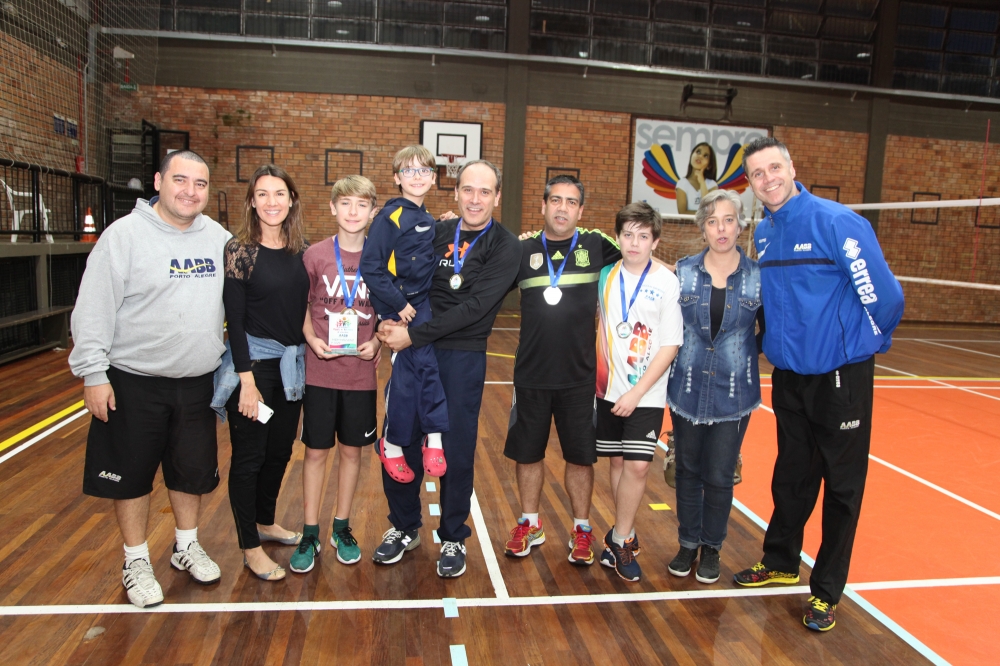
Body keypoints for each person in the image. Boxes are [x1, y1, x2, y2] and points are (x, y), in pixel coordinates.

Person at [733, 137, 904, 632]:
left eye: (774, 168)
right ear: (751, 183)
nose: (768, 179)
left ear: (791, 168)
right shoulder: (765, 233)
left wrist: (866, 343)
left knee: (842, 487)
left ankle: (826, 591)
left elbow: (886, 296)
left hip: (839, 378)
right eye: (757, 174)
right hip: (790, 378)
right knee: (792, 476)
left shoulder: (837, 222)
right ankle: (781, 561)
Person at [69, 150, 230, 608]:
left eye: (200, 184)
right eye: (180, 180)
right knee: (130, 477)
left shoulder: (219, 239)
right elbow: (93, 308)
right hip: (132, 381)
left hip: (196, 382)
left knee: (191, 473)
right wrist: (94, 373)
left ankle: (186, 546)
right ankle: (136, 559)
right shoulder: (123, 236)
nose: (190, 192)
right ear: (158, 181)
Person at [375, 160, 520, 577]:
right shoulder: (435, 231)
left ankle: (453, 535)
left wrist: (412, 335)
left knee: (454, 449)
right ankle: (404, 527)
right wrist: (388, 320)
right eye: (467, 189)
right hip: (415, 349)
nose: (475, 199)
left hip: (460, 357)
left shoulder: (505, 246)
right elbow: (395, 274)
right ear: (455, 193)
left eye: (485, 192)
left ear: (497, 197)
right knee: (401, 437)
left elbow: (475, 308)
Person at [503, 175, 621, 566]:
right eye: (555, 200)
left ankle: (582, 528)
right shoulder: (521, 250)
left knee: (580, 457)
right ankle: (530, 523)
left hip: (580, 377)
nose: (562, 208)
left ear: (581, 211)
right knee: (527, 454)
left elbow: (640, 259)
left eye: (571, 202)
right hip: (531, 375)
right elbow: (481, 271)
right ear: (542, 205)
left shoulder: (597, 245)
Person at [214, 164, 310, 581]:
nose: (272, 202)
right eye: (263, 194)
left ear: (291, 200)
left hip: (291, 369)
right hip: (254, 368)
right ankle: (249, 547)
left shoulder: (302, 251)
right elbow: (234, 321)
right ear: (252, 202)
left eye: (279, 194)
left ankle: (265, 521)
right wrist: (246, 381)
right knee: (249, 457)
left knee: (280, 451)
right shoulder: (240, 250)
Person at [666, 189, 762, 586]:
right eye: (712, 221)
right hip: (687, 388)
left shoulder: (758, 276)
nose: (721, 229)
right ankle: (687, 543)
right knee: (687, 470)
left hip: (734, 394)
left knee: (720, 475)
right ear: (702, 227)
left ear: (740, 226)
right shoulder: (682, 272)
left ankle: (711, 547)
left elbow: (771, 331)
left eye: (728, 220)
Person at [289, 175, 382, 573]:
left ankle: (341, 528)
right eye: (345, 203)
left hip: (360, 375)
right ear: (332, 208)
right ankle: (310, 531)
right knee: (314, 452)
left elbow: (389, 310)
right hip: (320, 372)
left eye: (361, 205)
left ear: (373, 211)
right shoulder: (314, 256)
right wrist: (311, 339)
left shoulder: (381, 257)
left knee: (351, 452)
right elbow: (300, 308)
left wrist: (377, 342)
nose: (353, 212)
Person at [595, 202, 682, 582]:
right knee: (617, 463)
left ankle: (619, 538)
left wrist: (637, 393)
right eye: (628, 235)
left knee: (639, 465)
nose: (634, 243)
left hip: (646, 393)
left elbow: (670, 344)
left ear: (655, 241)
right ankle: (624, 533)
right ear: (617, 237)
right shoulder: (604, 276)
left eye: (643, 236)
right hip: (606, 389)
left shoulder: (666, 282)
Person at [359, 145, 449, 484]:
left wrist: (444, 225)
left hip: (421, 306)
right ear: (397, 178)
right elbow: (371, 266)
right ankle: (396, 443)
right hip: (401, 309)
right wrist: (397, 305)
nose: (417, 176)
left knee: (425, 368)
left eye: (424, 170)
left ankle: (428, 439)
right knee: (410, 376)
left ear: (433, 178)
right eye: (409, 170)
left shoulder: (426, 217)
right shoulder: (389, 217)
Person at [676, 142, 719, 215]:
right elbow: (682, 212)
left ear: (709, 166)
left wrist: (702, 182)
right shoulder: (682, 183)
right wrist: (703, 215)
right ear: (691, 156)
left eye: (705, 156)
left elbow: (710, 210)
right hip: (688, 223)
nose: (700, 156)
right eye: (698, 152)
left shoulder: (712, 185)